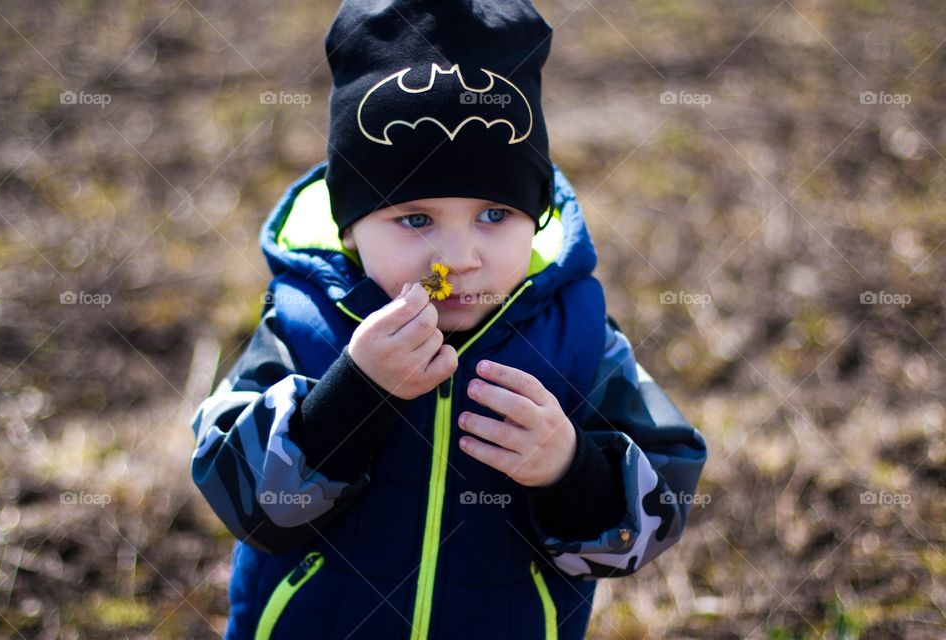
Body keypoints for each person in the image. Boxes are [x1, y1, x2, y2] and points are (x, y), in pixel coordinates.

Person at [189, 1, 708, 638]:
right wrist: (349, 396)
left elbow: (649, 525)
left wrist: (569, 469)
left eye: (494, 215)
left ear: (536, 215)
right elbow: (246, 505)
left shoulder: (579, 339)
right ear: (350, 228)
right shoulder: (307, 325)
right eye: (415, 219)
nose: (458, 259)